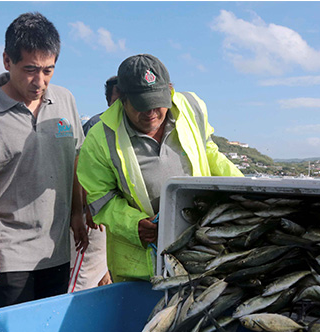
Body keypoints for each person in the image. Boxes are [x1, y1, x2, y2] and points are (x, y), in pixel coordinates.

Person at [0, 12, 88, 309]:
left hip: (57, 249)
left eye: (49, 70)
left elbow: (76, 160)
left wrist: (77, 213)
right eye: (30, 70)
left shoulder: (65, 100)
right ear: (6, 60)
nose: (40, 81)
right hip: (7, 253)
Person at [77, 54, 243, 282]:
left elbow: (210, 152)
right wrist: (133, 225)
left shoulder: (192, 107)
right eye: (142, 106)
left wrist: (246, 188)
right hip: (138, 266)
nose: (152, 113)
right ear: (122, 100)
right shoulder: (99, 137)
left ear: (170, 91)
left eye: (158, 103)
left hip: (200, 247)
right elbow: (100, 198)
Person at [68, 76, 120, 292]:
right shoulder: (97, 124)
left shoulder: (130, 127)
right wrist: (88, 208)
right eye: (118, 97)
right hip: (96, 214)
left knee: (102, 272)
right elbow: (82, 167)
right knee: (83, 275)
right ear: (109, 100)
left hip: (117, 214)